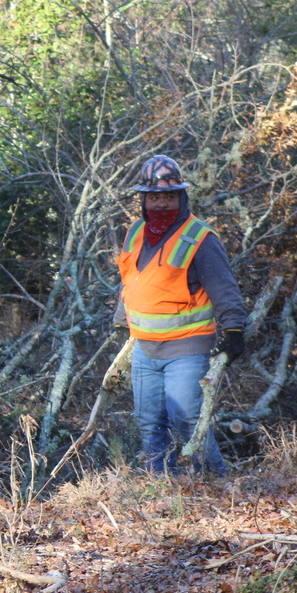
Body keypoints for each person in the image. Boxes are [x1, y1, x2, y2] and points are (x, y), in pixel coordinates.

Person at [114, 155, 246, 474]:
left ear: (182, 197)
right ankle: (162, 487)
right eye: (154, 197)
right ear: (143, 200)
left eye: (169, 196)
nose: (161, 204)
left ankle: (216, 484)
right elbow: (131, 280)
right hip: (144, 348)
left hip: (187, 349)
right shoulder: (135, 232)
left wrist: (234, 332)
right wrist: (122, 320)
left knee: (186, 419)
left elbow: (225, 289)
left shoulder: (200, 238)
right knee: (149, 424)